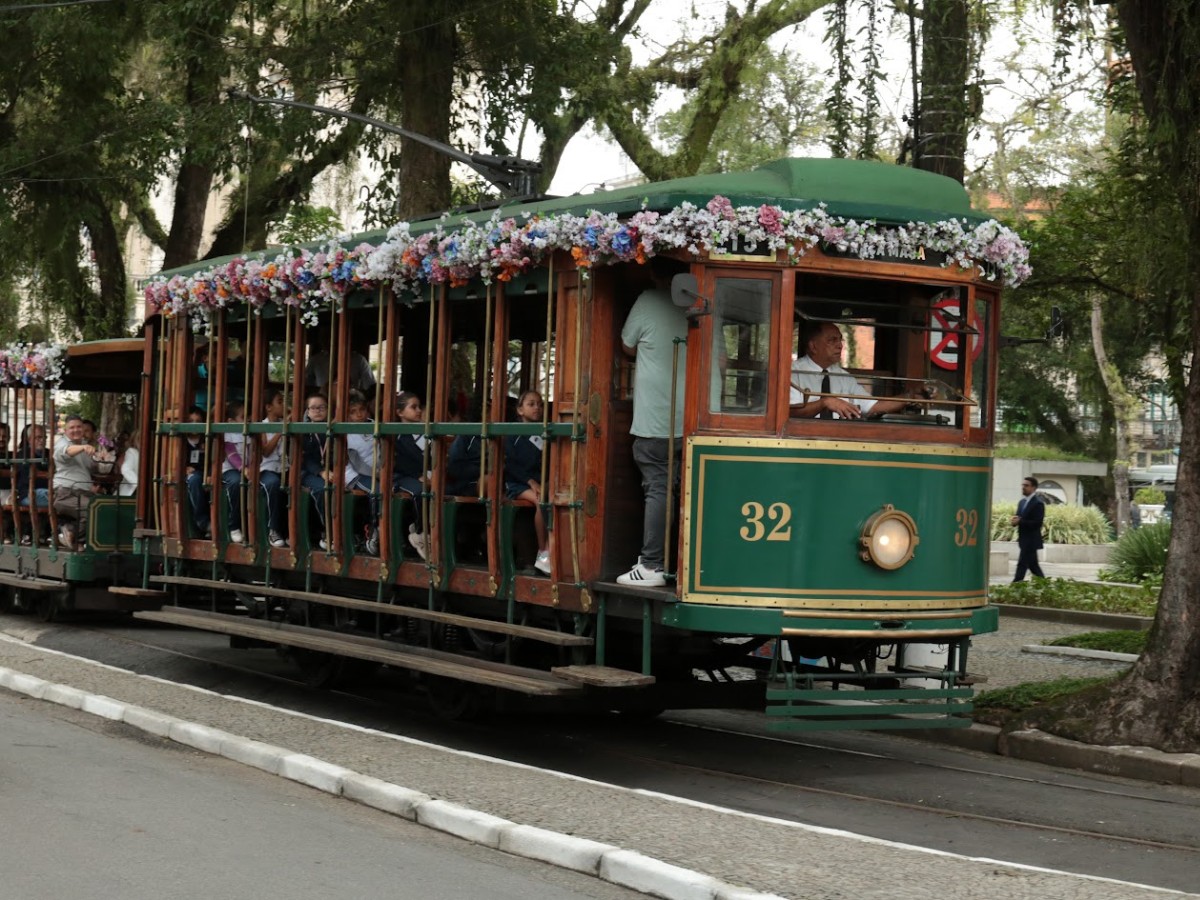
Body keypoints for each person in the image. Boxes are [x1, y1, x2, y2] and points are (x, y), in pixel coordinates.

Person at [617, 260, 688, 588]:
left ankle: (651, 565)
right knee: (688, 491)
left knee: (658, 490)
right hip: (692, 422)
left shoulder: (647, 299)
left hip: (655, 421)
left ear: (654, 274)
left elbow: (627, 345)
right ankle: (689, 565)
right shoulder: (697, 301)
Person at [789, 322, 908, 419]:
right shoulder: (792, 373)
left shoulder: (844, 377)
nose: (840, 346)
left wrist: (909, 397)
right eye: (832, 340)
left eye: (840, 340)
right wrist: (824, 402)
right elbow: (789, 412)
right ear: (813, 346)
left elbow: (873, 407)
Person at [505, 390, 551, 575]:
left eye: (540, 404)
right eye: (531, 404)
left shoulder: (545, 431)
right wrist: (530, 481)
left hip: (541, 482)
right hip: (518, 483)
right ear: (520, 410)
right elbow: (509, 464)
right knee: (541, 501)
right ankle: (543, 552)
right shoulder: (512, 432)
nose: (537, 408)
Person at [393, 391, 429, 561]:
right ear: (400, 412)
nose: (418, 410)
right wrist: (418, 475)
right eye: (413, 407)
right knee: (419, 491)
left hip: (426, 474)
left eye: (419, 407)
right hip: (402, 476)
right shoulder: (397, 435)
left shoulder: (425, 431)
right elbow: (398, 461)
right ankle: (420, 532)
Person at [52, 415, 97, 549]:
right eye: (72, 427)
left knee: (105, 507)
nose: (76, 430)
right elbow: (67, 451)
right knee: (94, 510)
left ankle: (72, 535)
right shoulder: (63, 443)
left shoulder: (82, 444)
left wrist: (101, 458)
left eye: (79, 427)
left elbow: (92, 467)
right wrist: (84, 447)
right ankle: (72, 535)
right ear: (65, 431)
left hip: (83, 492)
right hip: (66, 493)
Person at [300, 392, 332, 549]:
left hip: (331, 471)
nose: (318, 411)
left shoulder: (332, 429)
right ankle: (327, 531)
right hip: (307, 473)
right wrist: (320, 471)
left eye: (322, 407)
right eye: (313, 408)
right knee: (322, 488)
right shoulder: (304, 431)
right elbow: (305, 459)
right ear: (307, 411)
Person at [258, 389, 289, 548]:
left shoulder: (286, 423)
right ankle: (273, 529)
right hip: (266, 469)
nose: (284, 405)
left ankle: (291, 531)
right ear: (268, 407)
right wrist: (280, 431)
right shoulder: (262, 426)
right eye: (280, 402)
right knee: (273, 485)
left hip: (284, 467)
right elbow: (266, 450)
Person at [305, 327, 376, 394]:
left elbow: (369, 385)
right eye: (322, 337)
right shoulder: (316, 360)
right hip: (323, 401)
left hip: (350, 400)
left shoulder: (358, 359)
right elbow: (306, 384)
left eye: (328, 337)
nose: (325, 341)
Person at [16, 424, 49, 545]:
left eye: (44, 437)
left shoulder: (49, 453)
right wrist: (49, 475)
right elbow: (28, 477)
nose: (42, 440)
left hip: (47, 492)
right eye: (38, 437)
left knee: (61, 498)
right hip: (29, 494)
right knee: (59, 499)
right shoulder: (23, 454)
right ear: (30, 439)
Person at [221, 400, 247, 544]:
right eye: (243, 417)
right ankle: (234, 526)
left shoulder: (248, 431)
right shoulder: (228, 434)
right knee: (236, 482)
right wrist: (244, 469)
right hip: (230, 470)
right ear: (231, 421)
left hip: (248, 469)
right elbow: (232, 455)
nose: (247, 419)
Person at [1011, 476, 1046, 582]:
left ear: (1034, 488)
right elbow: (1019, 518)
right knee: (1033, 566)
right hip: (1023, 540)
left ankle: (1015, 587)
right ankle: (1045, 585)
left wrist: (1020, 521)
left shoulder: (1038, 503)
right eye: (1023, 485)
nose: (1023, 487)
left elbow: (1037, 523)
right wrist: (1014, 522)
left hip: (1031, 541)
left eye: (1026, 485)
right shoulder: (1021, 502)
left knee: (1022, 564)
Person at [183, 407, 211, 538]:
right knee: (194, 480)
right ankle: (202, 522)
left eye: (198, 421)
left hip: (206, 474)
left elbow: (213, 460)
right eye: (190, 421)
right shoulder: (180, 441)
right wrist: (183, 468)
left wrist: (210, 474)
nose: (194, 424)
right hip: (190, 477)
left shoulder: (207, 440)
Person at [118, 428, 139, 497]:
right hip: (130, 494)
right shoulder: (132, 452)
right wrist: (139, 484)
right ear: (134, 441)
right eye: (139, 439)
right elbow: (126, 469)